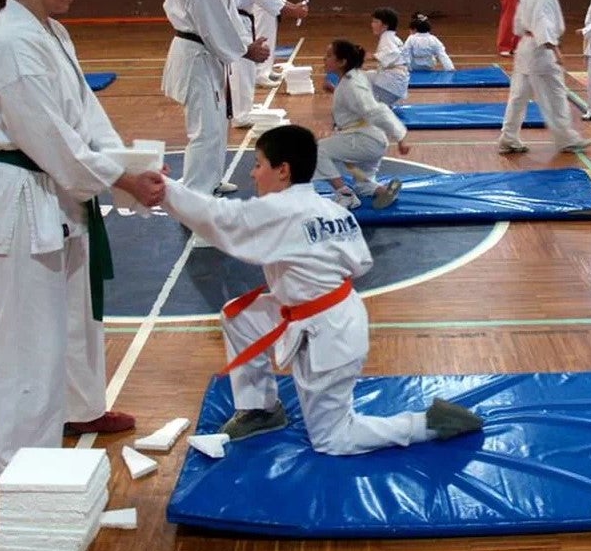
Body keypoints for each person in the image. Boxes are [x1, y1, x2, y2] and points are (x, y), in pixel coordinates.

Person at [0, 0, 166, 477]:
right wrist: (120, 181)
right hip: (21, 199)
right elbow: (49, 138)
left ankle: (80, 409)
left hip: (58, 197)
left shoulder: (49, 30)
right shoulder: (9, 41)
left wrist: (130, 164)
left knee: (77, 319)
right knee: (25, 342)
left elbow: (84, 118)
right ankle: (18, 462)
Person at [160, 125, 485, 450]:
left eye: (258, 164)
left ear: (283, 170)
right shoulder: (331, 209)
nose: (253, 174)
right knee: (241, 317)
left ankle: (427, 424)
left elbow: (216, 215)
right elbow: (361, 263)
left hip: (330, 334)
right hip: (332, 311)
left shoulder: (278, 210)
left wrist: (161, 187)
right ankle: (261, 409)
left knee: (334, 439)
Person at [162, 0, 270, 200]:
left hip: (207, 55)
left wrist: (245, 42)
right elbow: (214, 24)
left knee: (217, 123)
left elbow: (229, 14)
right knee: (204, 128)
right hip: (197, 56)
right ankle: (197, 193)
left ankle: (210, 180)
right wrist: (247, 50)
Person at [497, 0, 590, 155]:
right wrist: (555, 49)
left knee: (518, 96)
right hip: (542, 52)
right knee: (556, 94)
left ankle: (509, 137)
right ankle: (566, 138)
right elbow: (543, 24)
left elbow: (518, 25)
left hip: (524, 48)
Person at [320, 39, 408, 210]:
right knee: (363, 183)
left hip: (364, 140)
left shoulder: (352, 84)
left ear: (342, 62)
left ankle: (345, 196)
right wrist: (333, 89)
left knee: (316, 152)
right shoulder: (354, 77)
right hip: (372, 140)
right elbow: (352, 100)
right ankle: (381, 191)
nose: (324, 59)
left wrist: (400, 136)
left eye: (329, 55)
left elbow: (375, 111)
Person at [225, 0, 290, 129]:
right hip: (237, 18)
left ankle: (243, 109)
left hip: (243, 17)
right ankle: (240, 114)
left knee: (245, 68)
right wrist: (289, 9)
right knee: (242, 67)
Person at [366, 7, 409, 106]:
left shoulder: (387, 37)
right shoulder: (394, 38)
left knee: (357, 78)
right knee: (368, 75)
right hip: (397, 84)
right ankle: (379, 105)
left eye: (375, 22)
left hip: (391, 84)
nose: (372, 25)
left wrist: (372, 57)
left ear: (385, 25)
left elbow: (392, 52)